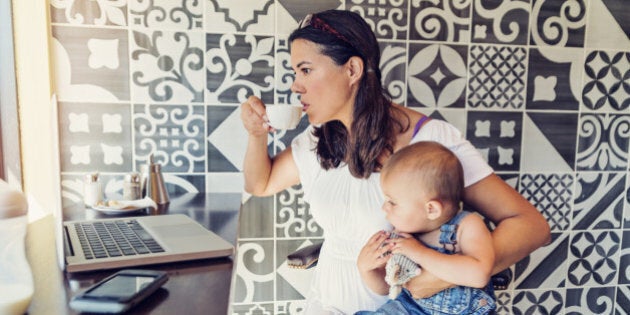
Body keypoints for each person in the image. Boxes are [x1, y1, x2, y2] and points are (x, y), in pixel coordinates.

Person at [240, 9, 550, 314]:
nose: (296, 85)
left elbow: (532, 226)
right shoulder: (318, 140)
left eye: (305, 70)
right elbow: (260, 183)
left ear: (352, 70)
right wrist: (256, 135)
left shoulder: (429, 141)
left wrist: (439, 278)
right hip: (328, 302)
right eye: (296, 73)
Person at [356, 141, 496, 315]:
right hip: (408, 308)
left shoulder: (466, 226)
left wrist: (419, 252)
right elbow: (388, 287)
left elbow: (478, 275)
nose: (384, 208)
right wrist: (366, 269)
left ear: (431, 209)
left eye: (392, 202)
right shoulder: (401, 234)